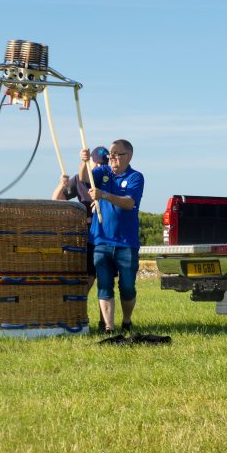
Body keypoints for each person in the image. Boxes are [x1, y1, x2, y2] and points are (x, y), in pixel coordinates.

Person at [84, 140, 144, 334]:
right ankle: (108, 327)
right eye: (111, 154)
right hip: (101, 240)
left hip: (126, 242)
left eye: (117, 154)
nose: (112, 158)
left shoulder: (136, 177)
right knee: (104, 285)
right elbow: (85, 178)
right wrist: (84, 161)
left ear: (129, 156)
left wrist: (104, 195)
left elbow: (128, 203)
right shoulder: (103, 173)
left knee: (127, 287)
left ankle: (126, 320)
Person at [52, 146, 108, 291]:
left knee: (93, 274)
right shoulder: (78, 179)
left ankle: (82, 300)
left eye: (103, 164)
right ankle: (77, 300)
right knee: (81, 271)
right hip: (83, 231)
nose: (100, 166)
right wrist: (61, 185)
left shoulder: (107, 179)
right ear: (91, 162)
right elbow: (57, 200)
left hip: (103, 230)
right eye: (97, 162)